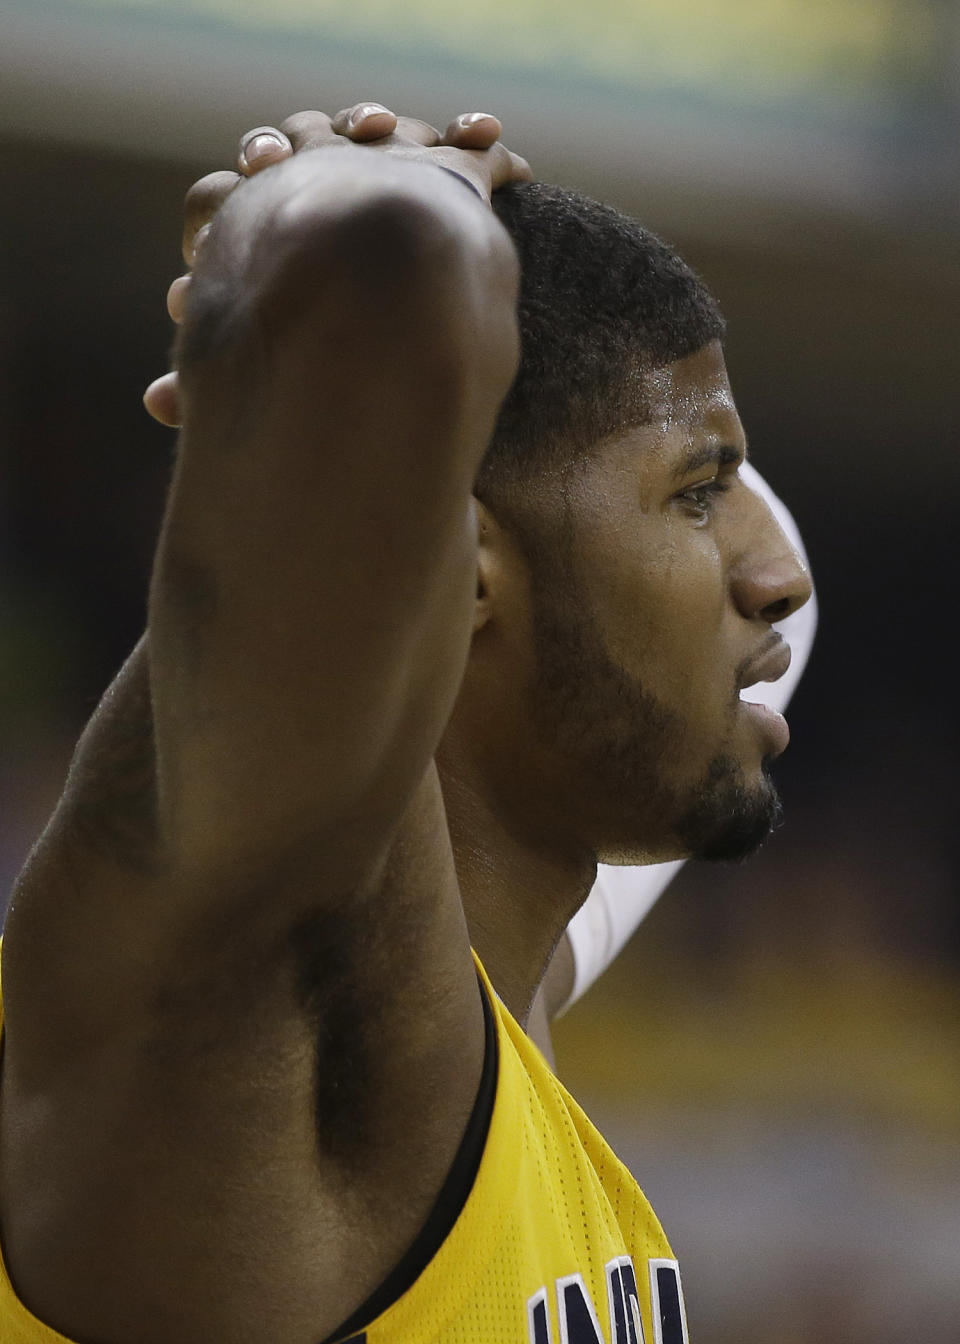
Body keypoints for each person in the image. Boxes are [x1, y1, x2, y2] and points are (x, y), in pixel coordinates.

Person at [0, 103, 813, 1344]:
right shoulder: (276, 984)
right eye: (699, 495)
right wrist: (350, 190)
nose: (775, 576)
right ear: (456, 564)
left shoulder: (505, 971)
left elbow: (790, 595)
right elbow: (376, 254)